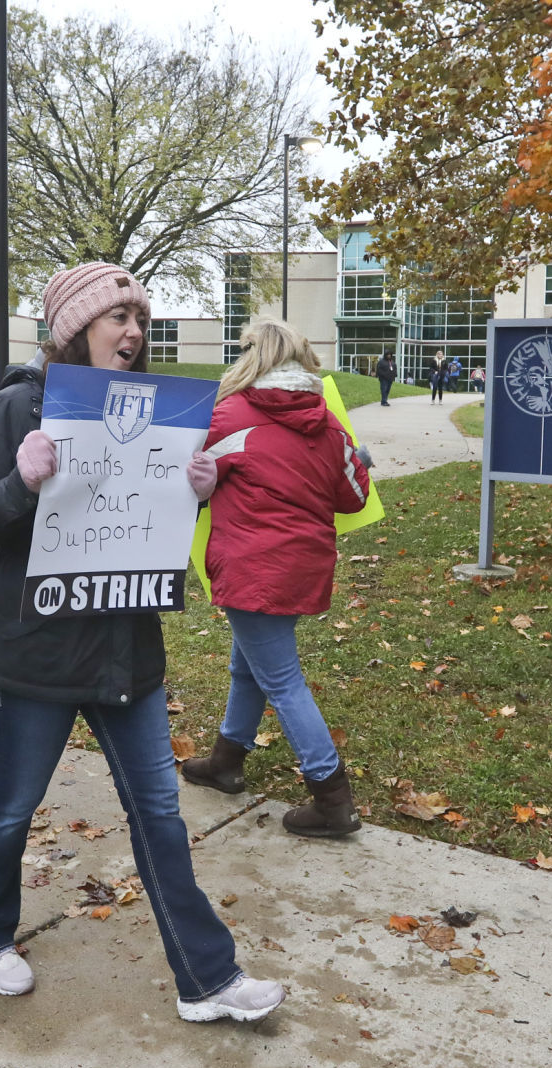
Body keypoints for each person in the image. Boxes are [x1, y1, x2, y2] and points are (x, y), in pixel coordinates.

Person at [0, 260, 284, 1023]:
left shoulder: (159, 411)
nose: (133, 334)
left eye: (140, 321)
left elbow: (143, 524)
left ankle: (207, 979)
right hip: (34, 651)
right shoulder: (13, 410)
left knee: (159, 812)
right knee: (11, 806)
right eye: (116, 320)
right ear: (74, 331)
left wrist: (189, 496)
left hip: (127, 649)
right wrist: (18, 484)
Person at [181, 318, 371, 838]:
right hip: (301, 566)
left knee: (282, 680)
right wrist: (359, 462)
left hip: (251, 566)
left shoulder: (229, 416)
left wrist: (201, 485)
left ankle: (333, 799)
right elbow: (351, 498)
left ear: (253, 357)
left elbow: (184, 483)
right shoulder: (330, 423)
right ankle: (226, 761)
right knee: (250, 666)